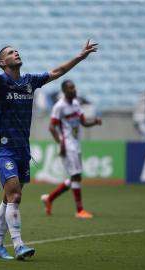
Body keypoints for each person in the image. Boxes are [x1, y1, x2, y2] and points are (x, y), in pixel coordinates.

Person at [0, 40, 98, 259]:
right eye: (10, 52)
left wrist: (81, 56)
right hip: (4, 148)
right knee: (15, 194)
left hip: (23, 150)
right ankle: (18, 245)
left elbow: (58, 71)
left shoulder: (30, 81)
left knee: (10, 197)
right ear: (2, 62)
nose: (16, 52)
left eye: (16, 50)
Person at [40, 80, 102, 218]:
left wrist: (95, 122)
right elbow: (51, 127)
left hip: (76, 143)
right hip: (68, 144)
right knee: (76, 176)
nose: (74, 90)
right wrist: (60, 142)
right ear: (64, 91)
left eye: (74, 87)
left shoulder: (76, 104)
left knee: (76, 177)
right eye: (70, 88)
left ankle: (49, 198)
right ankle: (79, 210)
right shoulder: (59, 107)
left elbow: (83, 122)